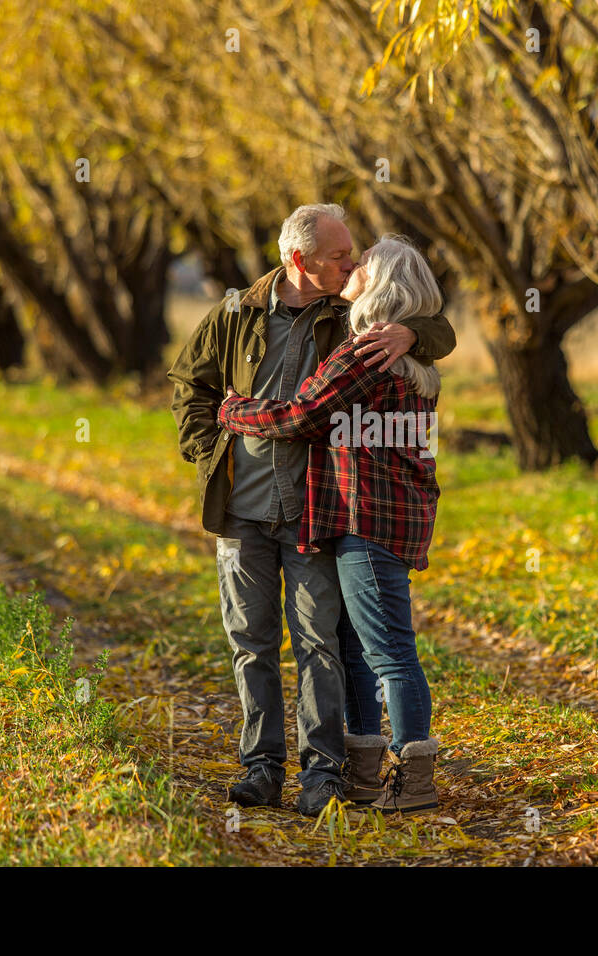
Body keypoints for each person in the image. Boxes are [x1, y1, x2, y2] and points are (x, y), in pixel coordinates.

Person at [168, 206, 455, 816]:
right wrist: (206, 450)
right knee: (253, 641)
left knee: (324, 644)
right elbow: (187, 383)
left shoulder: (353, 326)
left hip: (317, 515)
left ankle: (325, 772)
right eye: (339, 256)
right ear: (298, 260)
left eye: (355, 258)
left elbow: (431, 324)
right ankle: (264, 766)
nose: (350, 263)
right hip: (245, 508)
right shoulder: (236, 313)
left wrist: (413, 333)